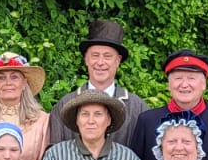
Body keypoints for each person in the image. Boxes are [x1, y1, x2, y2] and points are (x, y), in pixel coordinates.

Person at [124, 49, 208, 160]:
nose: (184, 85)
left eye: (191, 78)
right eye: (178, 78)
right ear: (169, 85)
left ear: (203, 84)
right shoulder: (147, 121)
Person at [46, 19, 148, 149]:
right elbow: (55, 156)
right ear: (86, 59)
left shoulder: (138, 109)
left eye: (107, 56)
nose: (100, 62)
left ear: (117, 61)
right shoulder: (64, 106)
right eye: (95, 55)